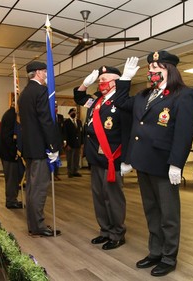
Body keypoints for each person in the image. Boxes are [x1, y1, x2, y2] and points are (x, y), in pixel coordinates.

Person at [115, 51, 193, 276]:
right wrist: (125, 78)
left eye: (156, 68)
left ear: (169, 70)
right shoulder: (144, 95)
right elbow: (121, 103)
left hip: (164, 164)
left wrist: (177, 164)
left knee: (168, 214)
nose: (151, 71)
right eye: (150, 68)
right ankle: (155, 251)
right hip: (144, 162)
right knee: (151, 211)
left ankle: (169, 257)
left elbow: (184, 132)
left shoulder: (184, 94)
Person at [73, 59, 136, 250]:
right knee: (99, 197)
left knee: (113, 198)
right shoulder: (97, 100)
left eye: (104, 79)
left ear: (116, 82)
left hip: (112, 158)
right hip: (95, 158)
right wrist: (86, 83)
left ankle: (117, 233)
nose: (101, 83)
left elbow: (128, 134)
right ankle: (105, 230)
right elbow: (79, 97)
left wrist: (127, 159)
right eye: (99, 80)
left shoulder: (123, 102)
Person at [18, 61, 61, 237]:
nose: (46, 75)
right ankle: (38, 226)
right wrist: (53, 145)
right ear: (37, 73)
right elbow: (45, 120)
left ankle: (33, 224)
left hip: (29, 147)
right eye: (44, 71)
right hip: (39, 148)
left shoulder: (25, 93)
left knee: (31, 188)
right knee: (39, 188)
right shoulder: (40, 91)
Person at [0, 105, 23, 209]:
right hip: (9, 154)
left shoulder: (12, 114)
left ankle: (13, 199)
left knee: (14, 177)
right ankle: (11, 200)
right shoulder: (11, 116)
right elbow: (7, 137)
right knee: (12, 179)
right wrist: (14, 152)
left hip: (9, 153)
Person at [63, 107, 83, 178]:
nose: (74, 114)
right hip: (70, 144)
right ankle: (70, 172)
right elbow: (64, 133)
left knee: (76, 158)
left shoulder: (79, 122)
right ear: (69, 114)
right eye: (72, 113)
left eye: (75, 112)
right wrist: (66, 144)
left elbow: (81, 133)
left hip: (77, 143)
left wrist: (81, 143)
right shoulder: (66, 122)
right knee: (70, 158)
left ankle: (75, 171)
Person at [54, 101, 64, 181]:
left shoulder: (60, 117)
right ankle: (50, 174)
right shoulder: (49, 116)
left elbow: (62, 130)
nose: (56, 108)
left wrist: (63, 140)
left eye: (56, 107)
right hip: (52, 142)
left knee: (57, 159)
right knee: (51, 159)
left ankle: (56, 174)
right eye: (54, 107)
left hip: (59, 141)